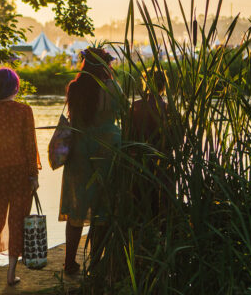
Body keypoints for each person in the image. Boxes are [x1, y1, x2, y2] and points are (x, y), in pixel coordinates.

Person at [0, 67, 41, 286]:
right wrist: (34, 174)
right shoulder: (24, 110)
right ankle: (11, 274)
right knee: (18, 220)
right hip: (20, 172)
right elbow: (30, 145)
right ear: (15, 86)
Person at [59, 47, 121, 274]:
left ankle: (69, 262)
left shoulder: (75, 88)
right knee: (102, 207)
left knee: (77, 206)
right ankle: (96, 262)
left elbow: (74, 119)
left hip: (79, 152)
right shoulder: (114, 88)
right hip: (107, 149)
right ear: (105, 66)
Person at [129, 69, 171, 219]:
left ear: (145, 83)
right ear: (163, 86)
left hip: (138, 165)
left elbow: (128, 136)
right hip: (162, 166)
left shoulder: (135, 107)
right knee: (161, 207)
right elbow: (176, 140)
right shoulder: (167, 109)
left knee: (140, 207)